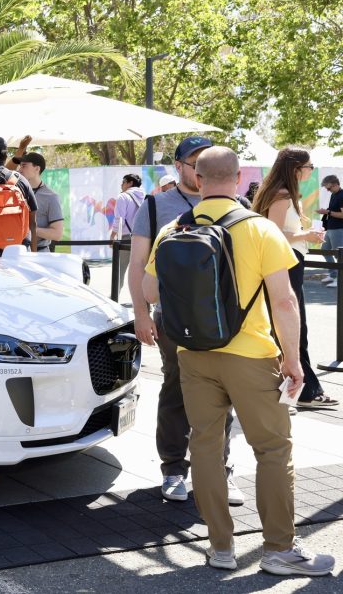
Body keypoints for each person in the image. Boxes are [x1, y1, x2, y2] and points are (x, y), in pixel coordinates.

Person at [143, 146, 335, 577]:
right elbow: (284, 302)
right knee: (272, 449)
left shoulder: (174, 228)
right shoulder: (259, 228)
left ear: (198, 179)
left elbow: (151, 292)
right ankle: (279, 550)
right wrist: (293, 361)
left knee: (205, 448)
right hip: (251, 355)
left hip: (194, 355)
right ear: (237, 179)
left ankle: (220, 548)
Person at [128, 135, 242, 505]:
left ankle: (220, 469)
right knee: (176, 390)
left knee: (223, 394)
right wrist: (141, 314)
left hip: (225, 321)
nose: (203, 169)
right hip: (173, 319)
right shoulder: (156, 205)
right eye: (196, 162)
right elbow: (137, 264)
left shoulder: (236, 205)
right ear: (178, 166)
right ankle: (173, 468)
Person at [252, 149, 338, 409]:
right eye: (309, 165)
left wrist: (304, 231)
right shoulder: (282, 194)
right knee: (292, 328)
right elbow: (275, 233)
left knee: (292, 328)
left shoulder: (283, 193)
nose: (312, 170)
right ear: (296, 168)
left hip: (288, 262)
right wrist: (305, 236)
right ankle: (306, 392)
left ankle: (299, 391)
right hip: (285, 263)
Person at [15, 151, 63, 251]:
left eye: (24, 166)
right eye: (20, 166)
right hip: (15, 252)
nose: (19, 170)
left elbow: (57, 234)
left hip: (40, 253)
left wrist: (30, 230)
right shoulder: (14, 192)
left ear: (37, 169)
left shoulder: (51, 197)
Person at [112, 174, 144, 292]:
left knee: (119, 269)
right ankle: (145, 298)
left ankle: (115, 295)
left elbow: (119, 219)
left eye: (123, 182)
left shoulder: (123, 197)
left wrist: (112, 235)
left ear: (130, 183)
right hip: (144, 238)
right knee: (141, 270)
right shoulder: (145, 196)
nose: (121, 185)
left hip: (126, 237)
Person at [316, 174, 343, 288]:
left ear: (335, 184)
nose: (328, 190)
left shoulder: (341, 195)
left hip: (338, 229)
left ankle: (340, 280)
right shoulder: (334, 194)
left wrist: (328, 212)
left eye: (329, 188)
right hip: (332, 228)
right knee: (325, 250)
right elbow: (332, 211)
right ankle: (333, 274)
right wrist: (326, 211)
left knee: (339, 255)